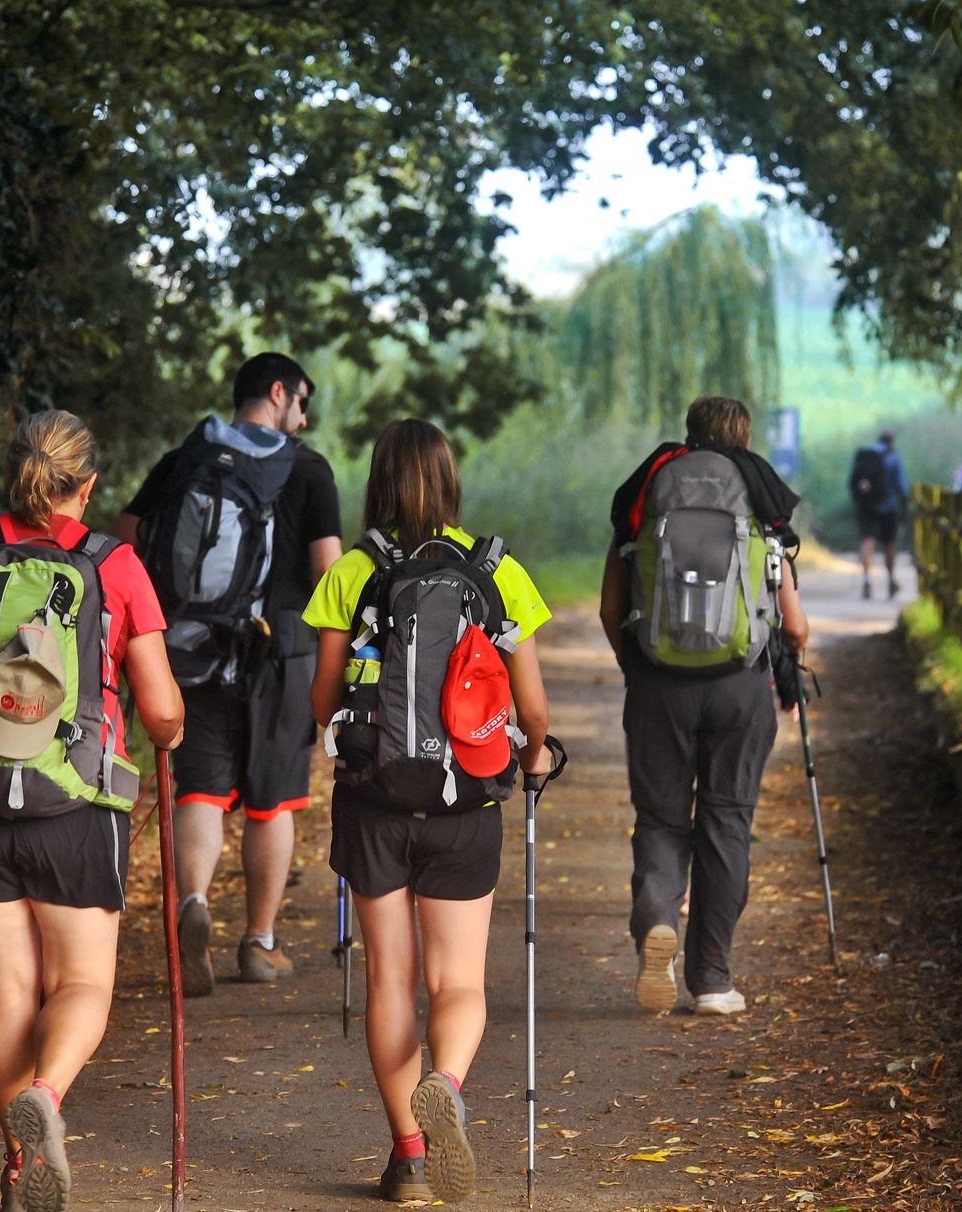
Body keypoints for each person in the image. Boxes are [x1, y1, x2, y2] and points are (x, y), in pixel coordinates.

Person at [0, 410, 185, 1212]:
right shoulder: (115, 564)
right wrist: (167, 731)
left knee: (11, 991)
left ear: (16, 477)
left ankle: (15, 1162)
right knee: (83, 983)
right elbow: (162, 708)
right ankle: (49, 1097)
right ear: (88, 485)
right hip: (75, 806)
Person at [305, 418, 554, 1204]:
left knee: (391, 983)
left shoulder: (353, 568)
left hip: (375, 802)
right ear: (450, 481)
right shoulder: (495, 569)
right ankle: (445, 1081)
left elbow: (322, 698)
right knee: (458, 983)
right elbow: (532, 706)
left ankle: (409, 1158)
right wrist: (534, 751)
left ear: (378, 482)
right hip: (465, 801)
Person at [115, 353, 342, 993]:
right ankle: (258, 944)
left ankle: (193, 903)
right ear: (279, 393)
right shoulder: (306, 468)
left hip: (193, 649)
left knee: (201, 791)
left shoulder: (187, 458)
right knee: (272, 804)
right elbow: (330, 570)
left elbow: (125, 537)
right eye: (303, 403)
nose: (304, 418)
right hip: (282, 655)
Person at [601, 397, 811, 1019]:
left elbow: (612, 609)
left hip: (658, 686)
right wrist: (790, 662)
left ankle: (659, 920)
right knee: (726, 823)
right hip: (740, 688)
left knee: (662, 819)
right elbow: (793, 624)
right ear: (742, 439)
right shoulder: (759, 495)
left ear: (689, 436)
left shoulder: (647, 492)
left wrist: (637, 668)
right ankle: (713, 979)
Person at [848, 427, 908, 599]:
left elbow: (853, 482)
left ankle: (867, 579)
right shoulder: (893, 457)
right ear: (892, 440)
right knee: (888, 544)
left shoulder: (865, 455)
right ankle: (890, 579)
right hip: (888, 507)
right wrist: (904, 508)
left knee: (868, 541)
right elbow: (901, 486)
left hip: (866, 507)